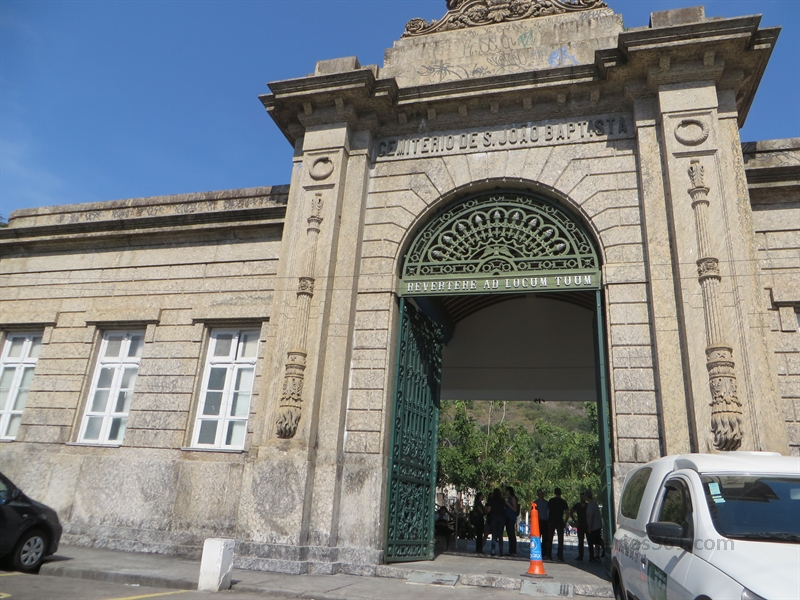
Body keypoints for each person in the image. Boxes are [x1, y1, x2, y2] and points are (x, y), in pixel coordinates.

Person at [546, 487, 569, 561]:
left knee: (549, 539)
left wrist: (548, 519)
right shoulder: (563, 502)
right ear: (561, 493)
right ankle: (560, 556)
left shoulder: (551, 501)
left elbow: (548, 511)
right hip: (559, 521)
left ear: (554, 493)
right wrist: (565, 522)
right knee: (560, 539)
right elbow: (567, 513)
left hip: (551, 521)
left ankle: (549, 555)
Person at [585, 490, 603, 562]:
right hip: (597, 525)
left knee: (596, 541)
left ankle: (597, 554)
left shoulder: (590, 504)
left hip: (594, 527)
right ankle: (597, 555)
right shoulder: (594, 503)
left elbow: (590, 516)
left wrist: (589, 526)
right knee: (597, 542)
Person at [486, 488, 506, 557]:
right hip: (501, 517)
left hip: (494, 517)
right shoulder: (502, 500)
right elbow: (504, 508)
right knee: (500, 535)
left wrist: (486, 513)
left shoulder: (491, 500)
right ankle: (501, 551)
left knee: (494, 535)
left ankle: (493, 551)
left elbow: (489, 509)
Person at [570, 492, 588, 560]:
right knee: (580, 541)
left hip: (587, 524)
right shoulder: (577, 505)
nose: (582, 498)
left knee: (590, 540)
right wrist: (575, 521)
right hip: (580, 524)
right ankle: (580, 555)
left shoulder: (588, 505)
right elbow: (571, 511)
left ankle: (591, 555)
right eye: (581, 497)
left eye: (583, 497)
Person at [504, 486, 519, 556]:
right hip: (507, 517)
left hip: (511, 517)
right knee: (509, 534)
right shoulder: (509, 498)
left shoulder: (513, 498)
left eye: (507, 491)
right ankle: (511, 550)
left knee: (511, 534)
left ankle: (513, 551)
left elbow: (515, 509)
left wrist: (508, 504)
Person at [533, 489, 549, 556]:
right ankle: (537, 551)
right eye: (539, 493)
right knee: (537, 537)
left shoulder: (547, 503)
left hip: (545, 522)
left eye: (541, 493)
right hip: (537, 522)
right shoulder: (535, 503)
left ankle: (544, 552)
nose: (540, 495)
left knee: (545, 538)